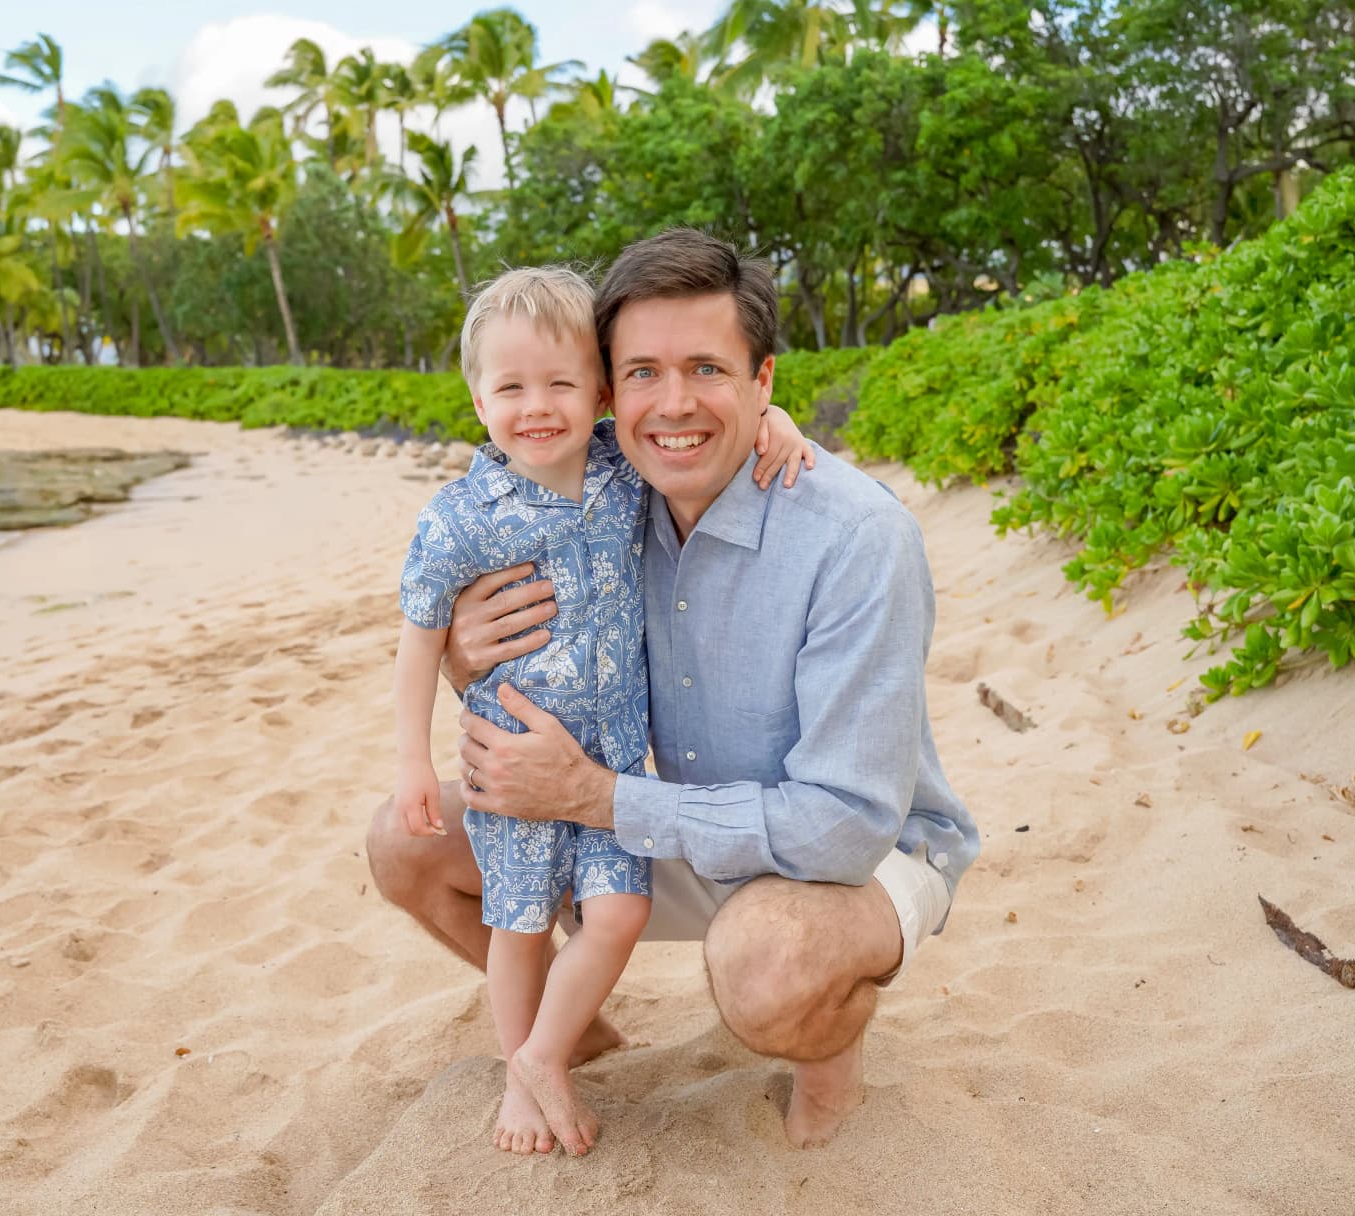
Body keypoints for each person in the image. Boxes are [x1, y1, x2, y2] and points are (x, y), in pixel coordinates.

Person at [371, 228, 978, 1150]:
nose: (675, 403)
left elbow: (844, 826)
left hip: (862, 849)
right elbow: (514, 572)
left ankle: (829, 1075)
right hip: (678, 816)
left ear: (763, 380)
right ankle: (574, 1038)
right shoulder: (619, 490)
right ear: (611, 392)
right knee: (404, 845)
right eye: (645, 373)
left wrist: (602, 797)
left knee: (765, 963)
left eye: (708, 369)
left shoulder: (856, 538)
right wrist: (462, 651)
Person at [391, 265, 814, 1157]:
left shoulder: (624, 469)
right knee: (518, 920)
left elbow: (701, 426)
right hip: (509, 758)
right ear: (477, 399)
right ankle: (525, 1071)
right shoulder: (462, 517)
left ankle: (542, 1053)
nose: (537, 407)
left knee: (614, 913)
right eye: (510, 388)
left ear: (597, 391)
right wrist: (406, 762)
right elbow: (420, 633)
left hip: (613, 767)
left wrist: (772, 416)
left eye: (561, 383)